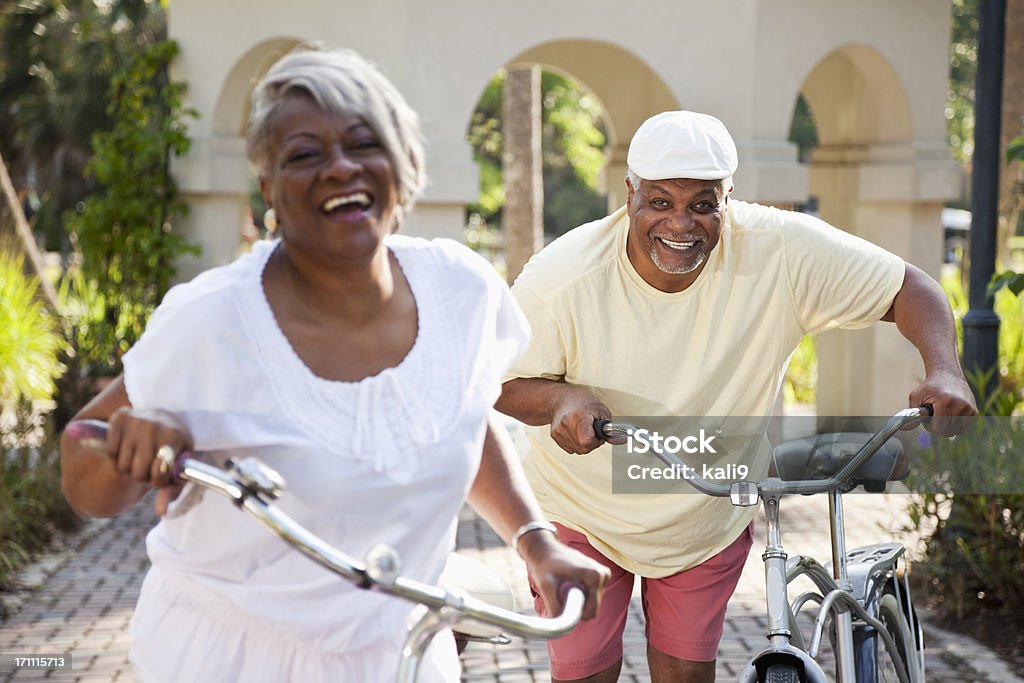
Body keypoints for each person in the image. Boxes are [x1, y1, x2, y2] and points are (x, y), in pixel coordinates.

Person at [60, 46, 608, 683]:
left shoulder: (460, 290)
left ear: (402, 165)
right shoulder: (211, 319)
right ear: (268, 189)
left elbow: (460, 414)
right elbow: (81, 468)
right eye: (304, 155)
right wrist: (130, 453)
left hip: (404, 655)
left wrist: (535, 541)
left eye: (362, 143)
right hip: (228, 660)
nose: (339, 168)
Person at [495, 110, 978, 683]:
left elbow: (909, 288)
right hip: (581, 513)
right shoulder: (564, 276)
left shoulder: (779, 248)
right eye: (659, 201)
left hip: (706, 514)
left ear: (729, 197)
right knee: (583, 675)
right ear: (629, 194)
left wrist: (945, 371)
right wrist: (559, 400)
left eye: (703, 204)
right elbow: (497, 380)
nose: (680, 223)